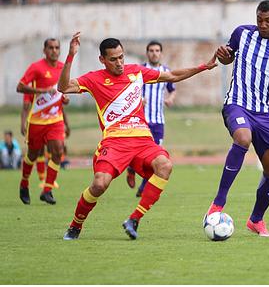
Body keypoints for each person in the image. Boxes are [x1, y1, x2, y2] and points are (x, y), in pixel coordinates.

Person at [58, 32, 217, 240]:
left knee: (165, 166)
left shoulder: (136, 72)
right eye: (113, 59)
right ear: (102, 60)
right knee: (99, 184)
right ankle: (75, 225)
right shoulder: (94, 79)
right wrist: (70, 55)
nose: (119, 63)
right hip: (114, 142)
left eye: (121, 57)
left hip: (143, 140)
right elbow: (63, 87)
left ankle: (134, 219)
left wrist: (203, 66)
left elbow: (173, 76)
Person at [206, 0, 269, 237]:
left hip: (263, 112)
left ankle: (256, 220)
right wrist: (223, 56)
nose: (263, 25)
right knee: (243, 137)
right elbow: (227, 58)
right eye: (259, 20)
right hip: (237, 104)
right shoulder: (242, 33)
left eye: (268, 21)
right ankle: (218, 203)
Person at [16, 38, 67, 205]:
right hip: (37, 120)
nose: (54, 50)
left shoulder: (62, 67)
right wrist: (41, 91)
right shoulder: (36, 67)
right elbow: (20, 87)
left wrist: (64, 99)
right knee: (32, 154)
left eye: (57, 48)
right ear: (44, 50)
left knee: (58, 151)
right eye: (50, 48)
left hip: (55, 119)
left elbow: (62, 91)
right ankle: (24, 184)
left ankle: (47, 189)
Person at [125, 40, 176, 197]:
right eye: (151, 50)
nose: (154, 53)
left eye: (157, 50)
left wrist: (171, 98)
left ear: (161, 53)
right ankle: (131, 169)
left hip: (158, 121)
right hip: (142, 121)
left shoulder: (165, 71)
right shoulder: (139, 71)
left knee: (157, 156)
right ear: (147, 53)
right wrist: (138, 99)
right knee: (138, 152)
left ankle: (143, 188)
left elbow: (172, 89)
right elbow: (129, 91)